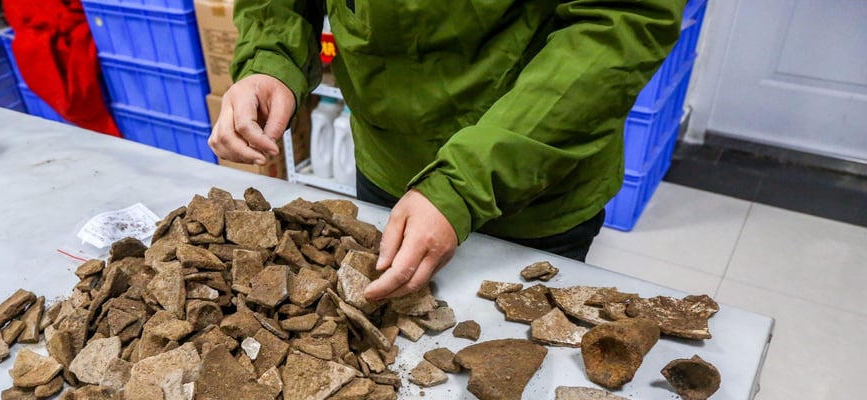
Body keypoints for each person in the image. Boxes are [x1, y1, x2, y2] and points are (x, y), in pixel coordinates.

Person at [209, 1, 685, 300]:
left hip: (531, 181)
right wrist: (270, 60)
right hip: (388, 156)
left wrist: (465, 183)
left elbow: (620, 22)